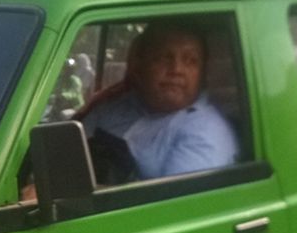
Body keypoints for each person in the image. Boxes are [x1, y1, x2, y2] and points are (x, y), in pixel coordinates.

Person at [79, 20, 238, 181]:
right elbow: (69, 153)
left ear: (203, 73)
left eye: (190, 61)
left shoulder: (205, 133)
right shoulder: (114, 106)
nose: (176, 70)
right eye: (164, 58)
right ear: (139, 65)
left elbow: (174, 204)